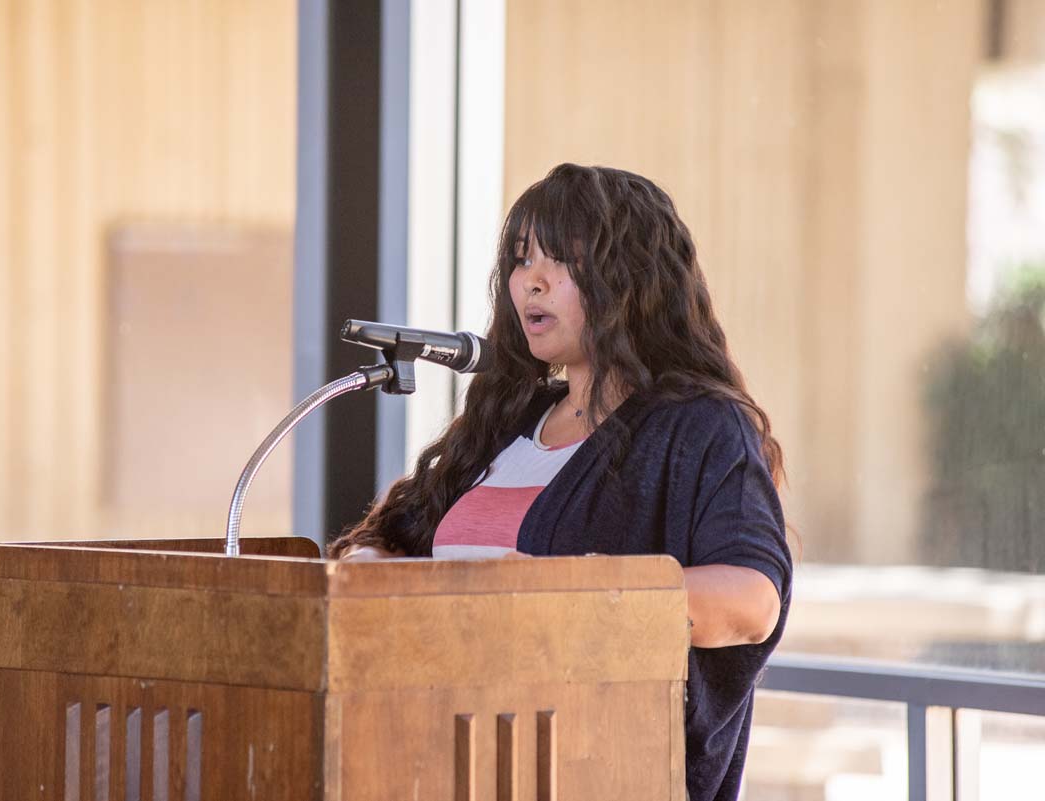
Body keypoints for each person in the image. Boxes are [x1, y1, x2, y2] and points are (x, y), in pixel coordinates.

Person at [327, 163, 793, 801]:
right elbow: (395, 536)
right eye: (521, 261)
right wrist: (369, 571)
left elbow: (751, 601)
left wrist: (567, 597)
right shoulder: (506, 418)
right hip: (435, 766)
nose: (531, 281)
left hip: (589, 773)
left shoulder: (699, 425)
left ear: (631, 278)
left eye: (562, 261)